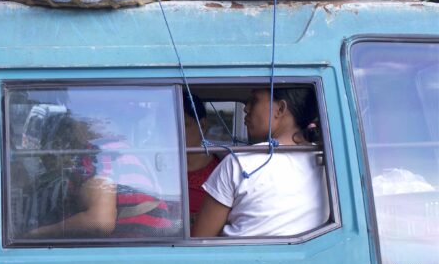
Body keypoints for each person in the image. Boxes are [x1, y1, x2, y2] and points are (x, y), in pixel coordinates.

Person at [192, 87, 327, 237]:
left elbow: (201, 239)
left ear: (280, 109)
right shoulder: (326, 161)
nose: (246, 109)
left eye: (254, 101)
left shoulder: (239, 163)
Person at [24, 113, 176, 239]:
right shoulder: (125, 151)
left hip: (132, 246)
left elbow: (99, 222)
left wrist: (36, 234)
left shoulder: (100, 154)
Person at [183, 94, 220, 226]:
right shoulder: (156, 168)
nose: (174, 132)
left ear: (202, 125)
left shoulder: (222, 169)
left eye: (183, 125)